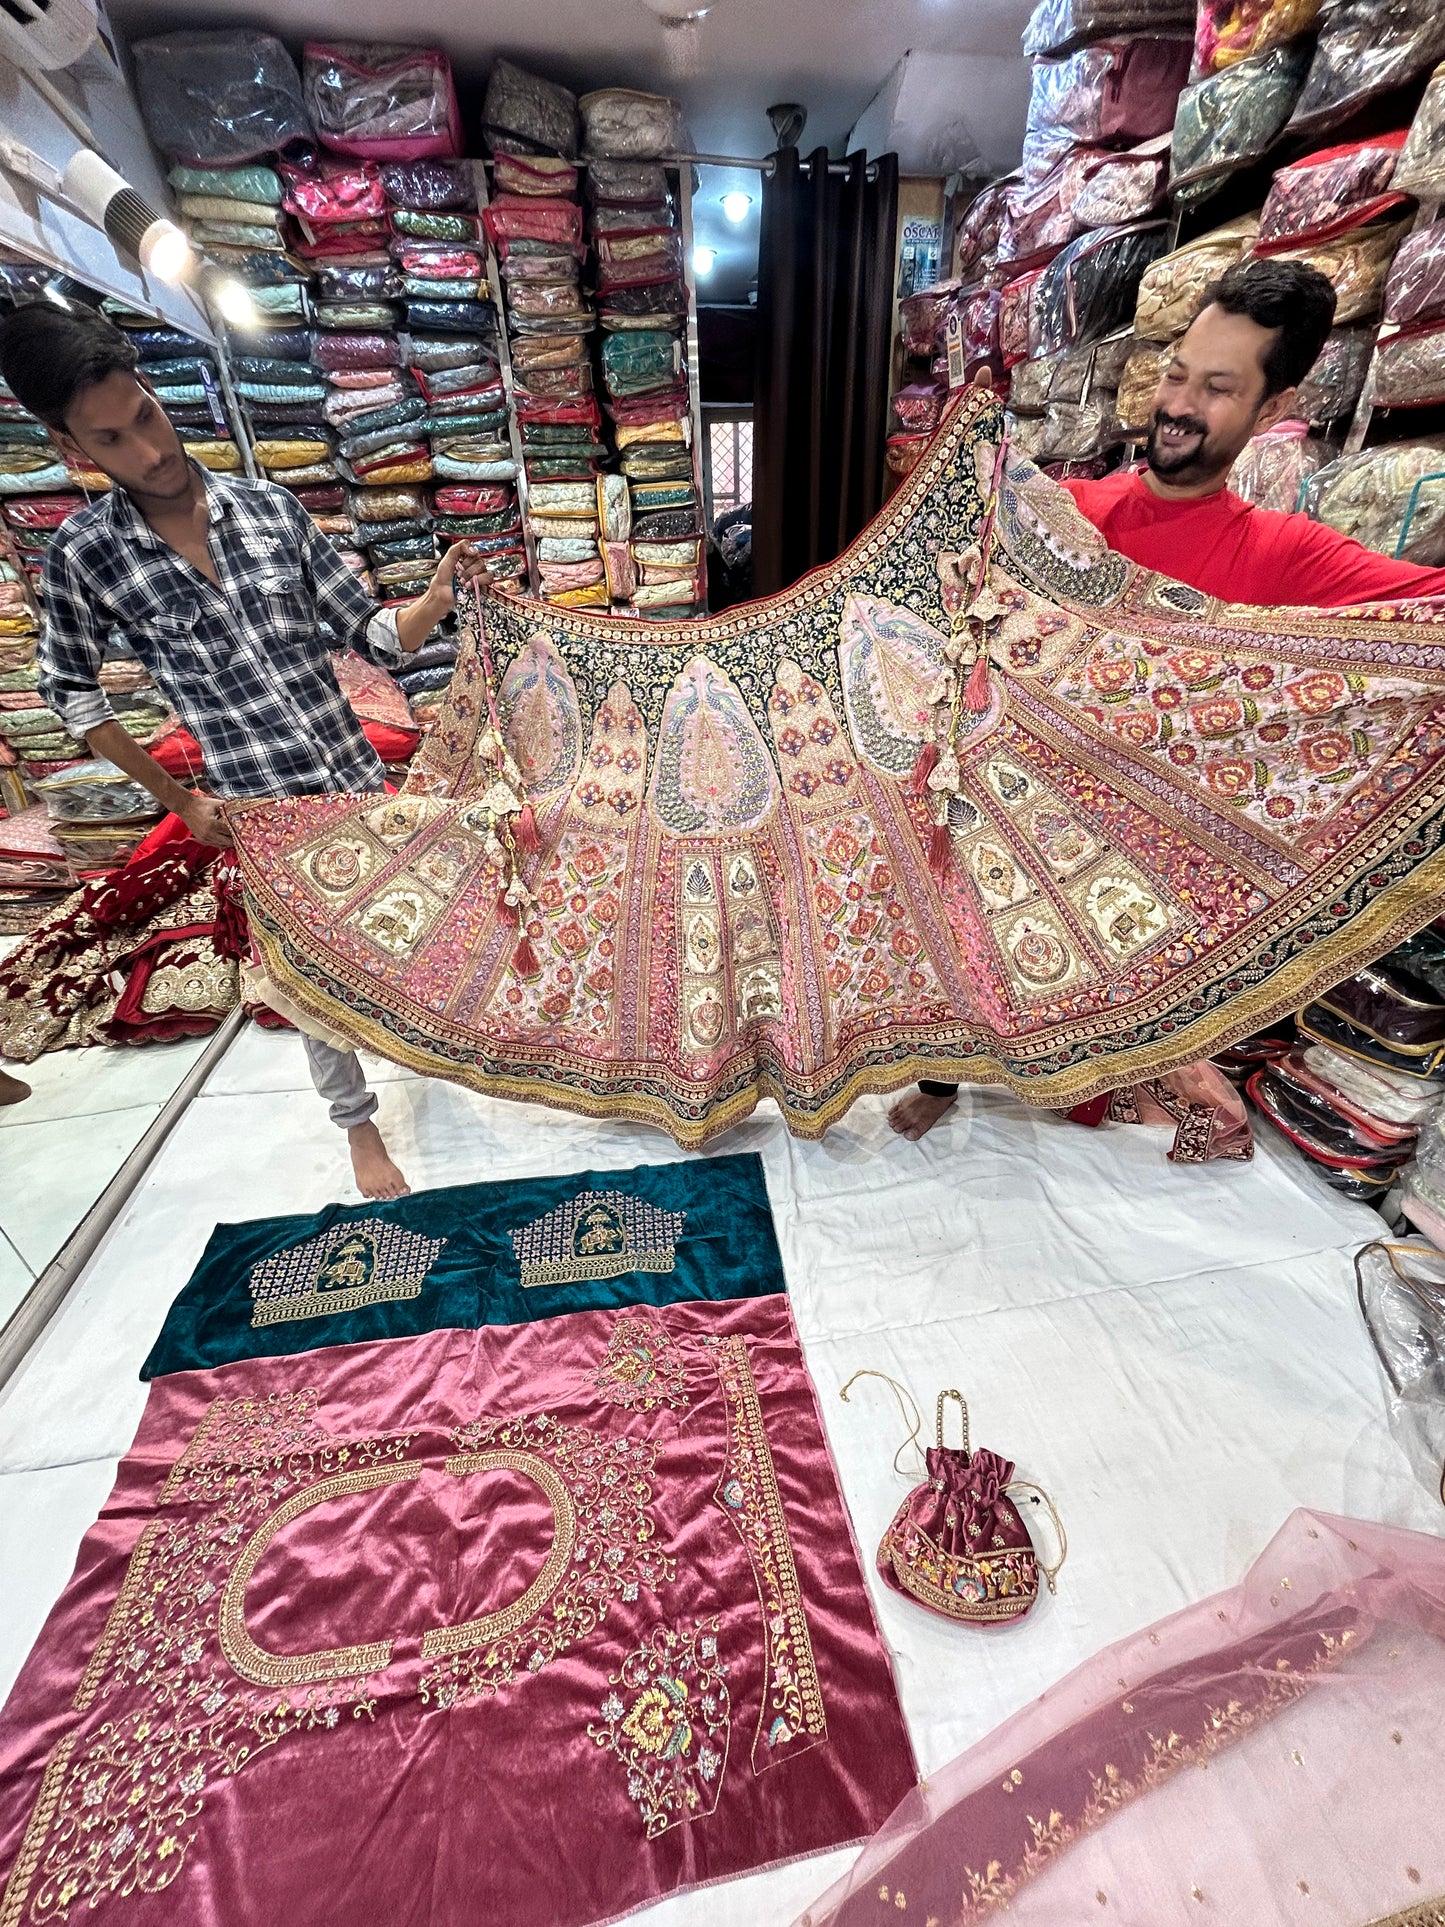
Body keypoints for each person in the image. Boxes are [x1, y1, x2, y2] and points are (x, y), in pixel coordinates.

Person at [890, 257, 1445, 1142]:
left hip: (1155, 908)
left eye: (1217, 388)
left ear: (1272, 410)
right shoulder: (1061, 516)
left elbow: (1427, 616)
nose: (1179, 404)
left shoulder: (1284, 556)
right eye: (1176, 374)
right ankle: (946, 1073)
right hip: (1015, 869)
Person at [0, 300, 489, 1198]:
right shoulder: (84, 556)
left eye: (144, 415)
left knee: (399, 929)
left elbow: (369, 634)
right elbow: (71, 698)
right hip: (258, 811)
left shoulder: (269, 510)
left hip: (352, 778)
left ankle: (428, 1047)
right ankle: (359, 1130)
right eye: (113, 439)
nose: (147, 450)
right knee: (303, 975)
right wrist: (180, 802)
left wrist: (436, 597)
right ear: (73, 446)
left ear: (152, 391)